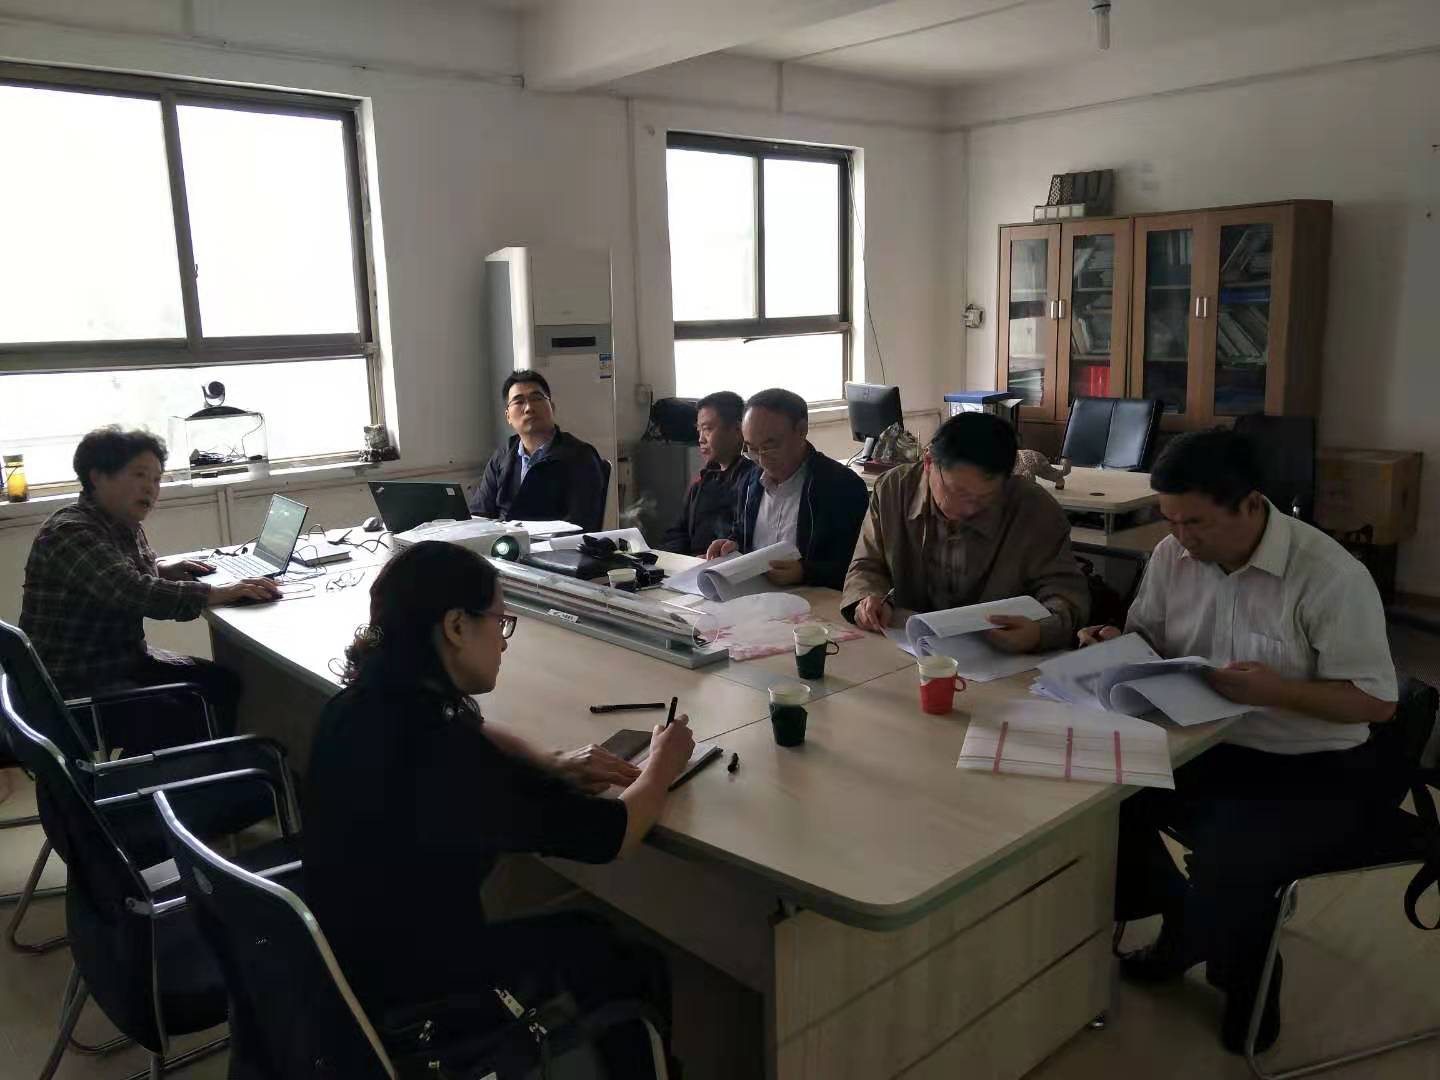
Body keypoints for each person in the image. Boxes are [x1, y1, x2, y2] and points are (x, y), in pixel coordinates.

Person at [303, 541, 694, 1075]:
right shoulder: (448, 761)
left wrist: (548, 759)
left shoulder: (359, 705)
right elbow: (615, 834)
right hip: (421, 996)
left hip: (350, 970)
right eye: (499, 622)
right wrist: (663, 764)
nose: (504, 641)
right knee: (628, 961)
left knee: (586, 931)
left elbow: (475, 727)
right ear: (456, 626)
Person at [1079, 429, 1399, 1055]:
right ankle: (1187, 920)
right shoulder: (1172, 554)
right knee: (1099, 804)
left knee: (1232, 853)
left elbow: (1377, 702)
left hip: (1313, 760)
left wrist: (1277, 691)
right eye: (1170, 520)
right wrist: (1112, 642)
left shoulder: (1328, 575)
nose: (1181, 538)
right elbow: (1150, 639)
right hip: (1201, 742)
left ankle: (1245, 973)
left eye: (1195, 522)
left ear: (1251, 504)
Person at [19, 427, 280, 751]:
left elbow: (121, 577)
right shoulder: (71, 531)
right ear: (98, 477)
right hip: (75, 685)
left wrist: (165, 571)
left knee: (221, 684)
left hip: (117, 662)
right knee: (181, 714)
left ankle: (206, 770)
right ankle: (157, 779)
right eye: (139, 475)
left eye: (156, 479)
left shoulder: (121, 523)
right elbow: (134, 592)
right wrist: (220, 592)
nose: (151, 488)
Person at [842, 412, 1088, 652]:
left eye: (985, 498)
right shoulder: (894, 490)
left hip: (999, 656)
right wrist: (870, 598)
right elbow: (867, 565)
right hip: (911, 648)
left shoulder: (1034, 509)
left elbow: (1065, 591)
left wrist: (1040, 632)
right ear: (928, 463)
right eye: (958, 492)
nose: (969, 508)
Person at [705, 387, 868, 590]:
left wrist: (805, 572)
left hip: (815, 599)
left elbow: (861, 567)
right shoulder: (750, 480)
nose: (761, 459)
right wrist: (731, 544)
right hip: (754, 596)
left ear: (801, 430)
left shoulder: (841, 486)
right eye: (752, 448)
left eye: (770, 446)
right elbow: (742, 533)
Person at [469, 370, 607, 532]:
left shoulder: (580, 456)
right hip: (504, 543)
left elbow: (581, 522)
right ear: (508, 417)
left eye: (536, 398)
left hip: (552, 545)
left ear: (552, 407)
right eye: (519, 401)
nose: (529, 408)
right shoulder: (503, 455)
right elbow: (479, 513)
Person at [658, 390, 756, 556]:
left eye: (707, 429)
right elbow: (678, 532)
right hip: (692, 565)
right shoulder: (702, 481)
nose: (701, 439)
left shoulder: (753, 481)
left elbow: (745, 539)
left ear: (738, 431)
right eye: (699, 430)